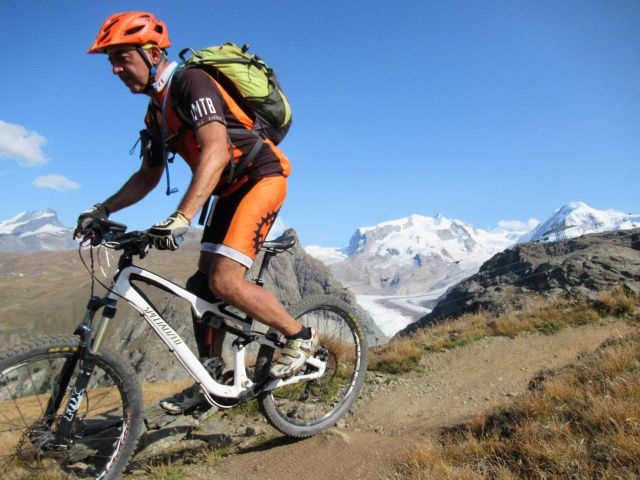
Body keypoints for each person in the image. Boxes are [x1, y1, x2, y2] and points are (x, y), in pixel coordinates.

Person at [78, 12, 317, 414]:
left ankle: (300, 337)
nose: (115, 69)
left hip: (261, 177)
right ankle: (213, 376)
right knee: (201, 284)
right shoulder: (156, 111)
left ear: (153, 54)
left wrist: (182, 217)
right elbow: (148, 175)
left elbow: (217, 149)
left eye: (122, 57)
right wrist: (102, 209)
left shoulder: (191, 81)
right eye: (111, 61)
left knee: (224, 280)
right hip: (227, 190)